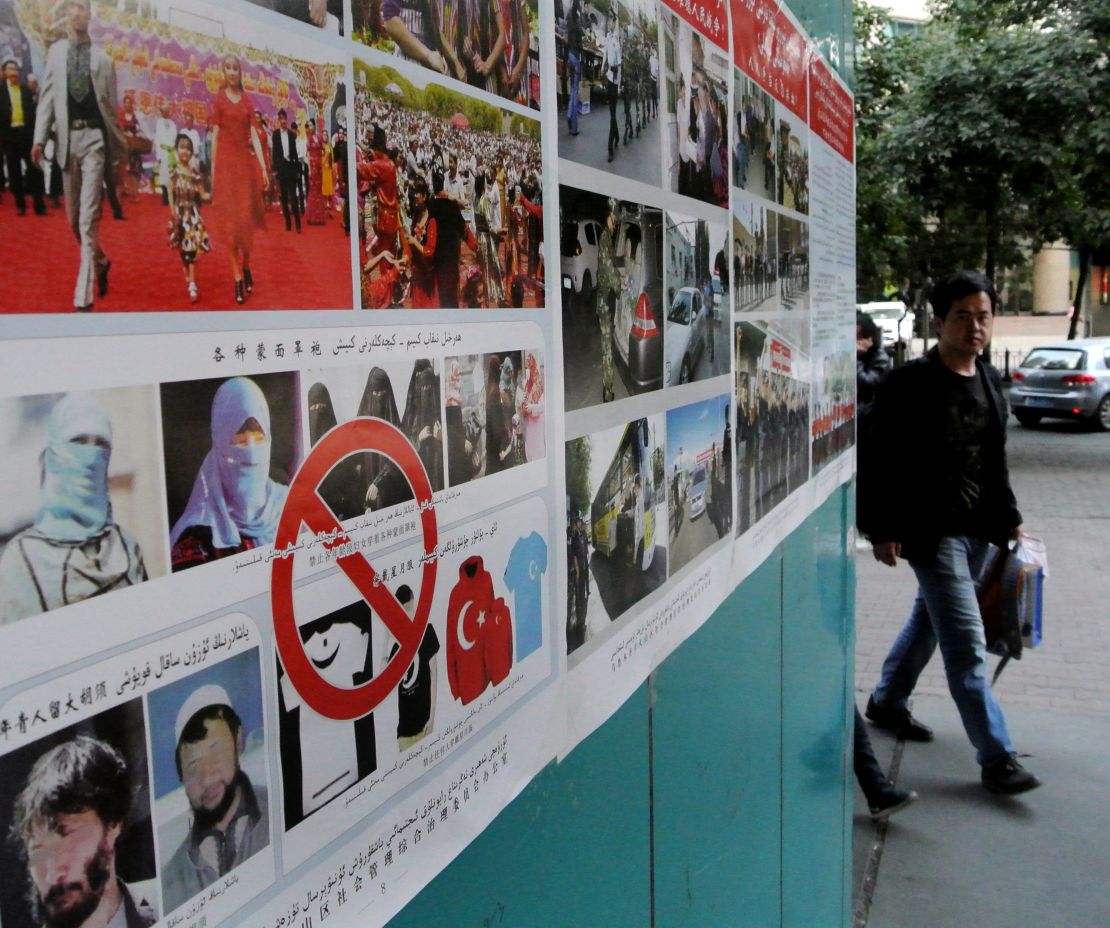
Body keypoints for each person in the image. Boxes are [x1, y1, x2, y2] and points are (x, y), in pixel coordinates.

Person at [860, 270, 1039, 795]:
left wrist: (1011, 521)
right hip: (930, 534)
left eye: (983, 316)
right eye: (963, 316)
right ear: (939, 321)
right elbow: (877, 460)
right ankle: (997, 757)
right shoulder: (908, 384)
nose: (975, 327)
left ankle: (887, 701)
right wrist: (882, 529)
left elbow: (994, 462)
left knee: (930, 621)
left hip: (979, 533)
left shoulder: (988, 381)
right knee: (965, 642)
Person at [0, 393, 148, 622]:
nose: (90, 458)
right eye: (79, 441)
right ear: (54, 455)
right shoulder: (21, 560)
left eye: (101, 444)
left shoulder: (125, 545)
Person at [31, 0, 126, 311]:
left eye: (82, 6)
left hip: (95, 140)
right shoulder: (55, 54)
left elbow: (111, 111)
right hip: (66, 141)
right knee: (74, 221)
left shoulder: (104, 60)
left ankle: (82, 299)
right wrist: (39, 139)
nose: (77, 12)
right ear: (66, 13)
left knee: (88, 219)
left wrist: (118, 154)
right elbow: (47, 100)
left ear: (89, 14)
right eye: (72, 6)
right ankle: (101, 260)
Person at [12, 736, 159, 928]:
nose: (52, 875)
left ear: (112, 826)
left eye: (66, 839)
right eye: (38, 851)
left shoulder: (167, 899)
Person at [161, 685, 269, 913]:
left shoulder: (280, 809)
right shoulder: (170, 882)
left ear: (238, 742)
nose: (207, 776)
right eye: (193, 766)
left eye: (215, 751)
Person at [170, 377, 288, 570]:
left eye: (258, 434)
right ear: (220, 439)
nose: (250, 446)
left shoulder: (289, 503)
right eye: (239, 435)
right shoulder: (197, 537)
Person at [209, 55, 267, 305]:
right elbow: (215, 135)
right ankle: (237, 279)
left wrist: (263, 167)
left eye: (235, 68)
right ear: (223, 72)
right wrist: (212, 171)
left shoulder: (247, 101)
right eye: (228, 68)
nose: (232, 72)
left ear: (240, 72)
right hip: (225, 168)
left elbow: (254, 133)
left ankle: (245, 266)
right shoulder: (219, 100)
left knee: (245, 227)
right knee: (231, 229)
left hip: (244, 169)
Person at [166, 132, 211, 303]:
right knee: (181, 249)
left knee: (191, 250)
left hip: (192, 216)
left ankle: (192, 284)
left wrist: (217, 193)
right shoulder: (174, 171)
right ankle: (187, 274)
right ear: (177, 150)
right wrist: (172, 213)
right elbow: (170, 192)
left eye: (188, 149)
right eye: (182, 147)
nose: (185, 151)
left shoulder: (195, 173)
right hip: (179, 215)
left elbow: (203, 194)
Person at [1, 58, 46, 216]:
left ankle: (39, 205)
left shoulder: (25, 90)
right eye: (10, 69)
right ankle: (20, 203)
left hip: (26, 135)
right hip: (9, 136)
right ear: (4, 72)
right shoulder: (1, 91)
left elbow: (33, 115)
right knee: (14, 172)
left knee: (34, 169)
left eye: (16, 69)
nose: (14, 72)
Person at [595, 197, 621, 403]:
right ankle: (608, 389)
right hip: (604, 301)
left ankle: (608, 387)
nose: (616, 223)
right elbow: (610, 271)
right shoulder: (605, 238)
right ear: (609, 217)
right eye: (615, 219)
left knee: (607, 346)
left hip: (605, 300)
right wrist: (620, 286)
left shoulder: (608, 240)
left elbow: (611, 266)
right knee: (607, 348)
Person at [404, 177, 438, 307]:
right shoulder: (415, 217)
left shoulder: (431, 221)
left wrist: (414, 242)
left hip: (427, 277)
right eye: (413, 192)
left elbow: (430, 251)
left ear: (424, 196)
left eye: (417, 192)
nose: (414, 195)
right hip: (417, 275)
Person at [271, 108, 301, 234]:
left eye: (285, 119)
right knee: (283, 198)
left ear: (287, 120)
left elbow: (295, 153)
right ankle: (288, 222)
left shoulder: (291, 135)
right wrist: (274, 169)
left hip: (291, 168)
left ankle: (298, 224)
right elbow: (275, 153)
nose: (283, 121)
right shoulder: (275, 135)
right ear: (279, 120)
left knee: (293, 198)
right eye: (281, 119)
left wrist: (297, 169)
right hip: (281, 169)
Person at [856, 312, 891, 415]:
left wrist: (855, 359)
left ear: (869, 338)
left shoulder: (881, 358)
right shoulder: (861, 356)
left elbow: (868, 383)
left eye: (858, 338)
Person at [603, 10, 621, 163]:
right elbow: (605, 52)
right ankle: (615, 138)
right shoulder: (608, 37)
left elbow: (619, 66)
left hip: (615, 81)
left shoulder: (617, 41)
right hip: (608, 77)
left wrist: (620, 85)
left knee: (613, 114)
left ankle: (611, 146)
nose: (609, 24)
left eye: (611, 22)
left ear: (615, 23)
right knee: (612, 113)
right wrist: (603, 67)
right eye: (608, 21)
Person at [153, 100, 176, 205]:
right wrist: (158, 154)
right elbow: (158, 139)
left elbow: (174, 138)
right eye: (164, 110)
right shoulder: (159, 123)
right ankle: (165, 197)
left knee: (172, 175)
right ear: (161, 112)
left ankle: (173, 196)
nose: (166, 112)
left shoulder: (173, 124)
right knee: (163, 176)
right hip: (163, 152)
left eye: (167, 110)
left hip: (171, 152)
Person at [304, 119, 326, 225]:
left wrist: (323, 162)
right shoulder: (308, 139)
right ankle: (312, 218)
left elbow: (324, 150)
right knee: (313, 191)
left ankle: (320, 217)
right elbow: (307, 155)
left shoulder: (319, 137)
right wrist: (308, 168)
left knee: (319, 191)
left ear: (314, 126)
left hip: (319, 167)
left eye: (311, 125)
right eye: (308, 126)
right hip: (312, 168)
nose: (310, 127)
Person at [565, 0, 583, 135]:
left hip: (569, 54)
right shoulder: (578, 22)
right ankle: (574, 127)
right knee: (575, 91)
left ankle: (569, 114)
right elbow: (580, 43)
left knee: (572, 88)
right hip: (576, 57)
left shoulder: (569, 16)